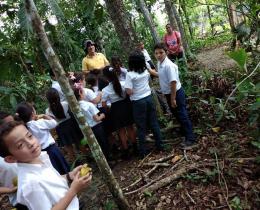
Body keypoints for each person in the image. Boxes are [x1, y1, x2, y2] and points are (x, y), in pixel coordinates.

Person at [0, 121, 92, 210]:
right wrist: (73, 190)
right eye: (20, 145)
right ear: (11, 159)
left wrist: (69, 176)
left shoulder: (40, 158)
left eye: (29, 136)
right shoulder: (30, 184)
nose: (30, 143)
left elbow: (50, 183)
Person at [151, 43, 195, 147]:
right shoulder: (159, 63)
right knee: (177, 115)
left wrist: (173, 98)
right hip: (169, 94)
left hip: (175, 93)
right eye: (156, 53)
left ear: (166, 52)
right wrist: (150, 71)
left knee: (182, 115)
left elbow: (173, 82)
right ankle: (185, 133)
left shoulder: (168, 66)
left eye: (161, 52)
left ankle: (191, 138)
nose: (158, 55)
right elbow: (160, 75)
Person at [124, 50, 163, 157]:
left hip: (138, 102)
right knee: (154, 123)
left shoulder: (130, 75)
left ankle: (143, 152)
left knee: (141, 127)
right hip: (149, 98)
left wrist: (131, 90)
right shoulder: (146, 70)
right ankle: (160, 145)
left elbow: (129, 91)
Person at [16, 102, 70, 174]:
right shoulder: (39, 123)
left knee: (54, 170)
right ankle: (69, 178)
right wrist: (45, 116)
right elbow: (54, 123)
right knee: (62, 166)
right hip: (52, 149)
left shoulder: (24, 128)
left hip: (41, 153)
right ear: (32, 113)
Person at [102, 66, 137, 159]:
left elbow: (104, 104)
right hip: (126, 106)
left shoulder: (105, 90)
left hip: (116, 109)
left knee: (121, 131)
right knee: (130, 127)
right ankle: (135, 147)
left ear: (106, 78)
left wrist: (109, 108)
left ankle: (126, 151)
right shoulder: (123, 83)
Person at [73, 84, 110, 159]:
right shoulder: (88, 105)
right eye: (83, 91)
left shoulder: (74, 108)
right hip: (96, 127)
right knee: (103, 144)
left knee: (95, 146)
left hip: (87, 130)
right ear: (80, 93)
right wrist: (102, 115)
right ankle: (108, 159)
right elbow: (96, 119)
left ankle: (99, 159)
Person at [46, 88, 80, 163]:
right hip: (71, 124)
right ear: (58, 96)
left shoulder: (48, 111)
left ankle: (75, 162)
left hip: (60, 128)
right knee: (78, 141)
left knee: (68, 146)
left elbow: (53, 122)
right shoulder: (65, 104)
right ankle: (87, 157)